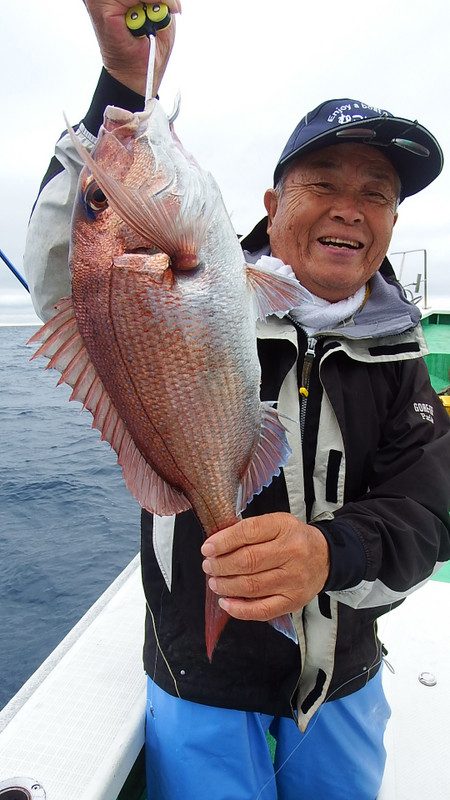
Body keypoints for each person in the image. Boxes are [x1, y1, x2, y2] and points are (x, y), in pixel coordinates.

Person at [24, 3, 450, 799]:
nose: (350, 208)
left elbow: (429, 511)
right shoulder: (215, 288)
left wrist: (331, 552)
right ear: (269, 200)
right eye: (322, 183)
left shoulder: (400, 353)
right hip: (202, 681)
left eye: (379, 194)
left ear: (393, 221)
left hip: (343, 679)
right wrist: (121, 76)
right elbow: (69, 279)